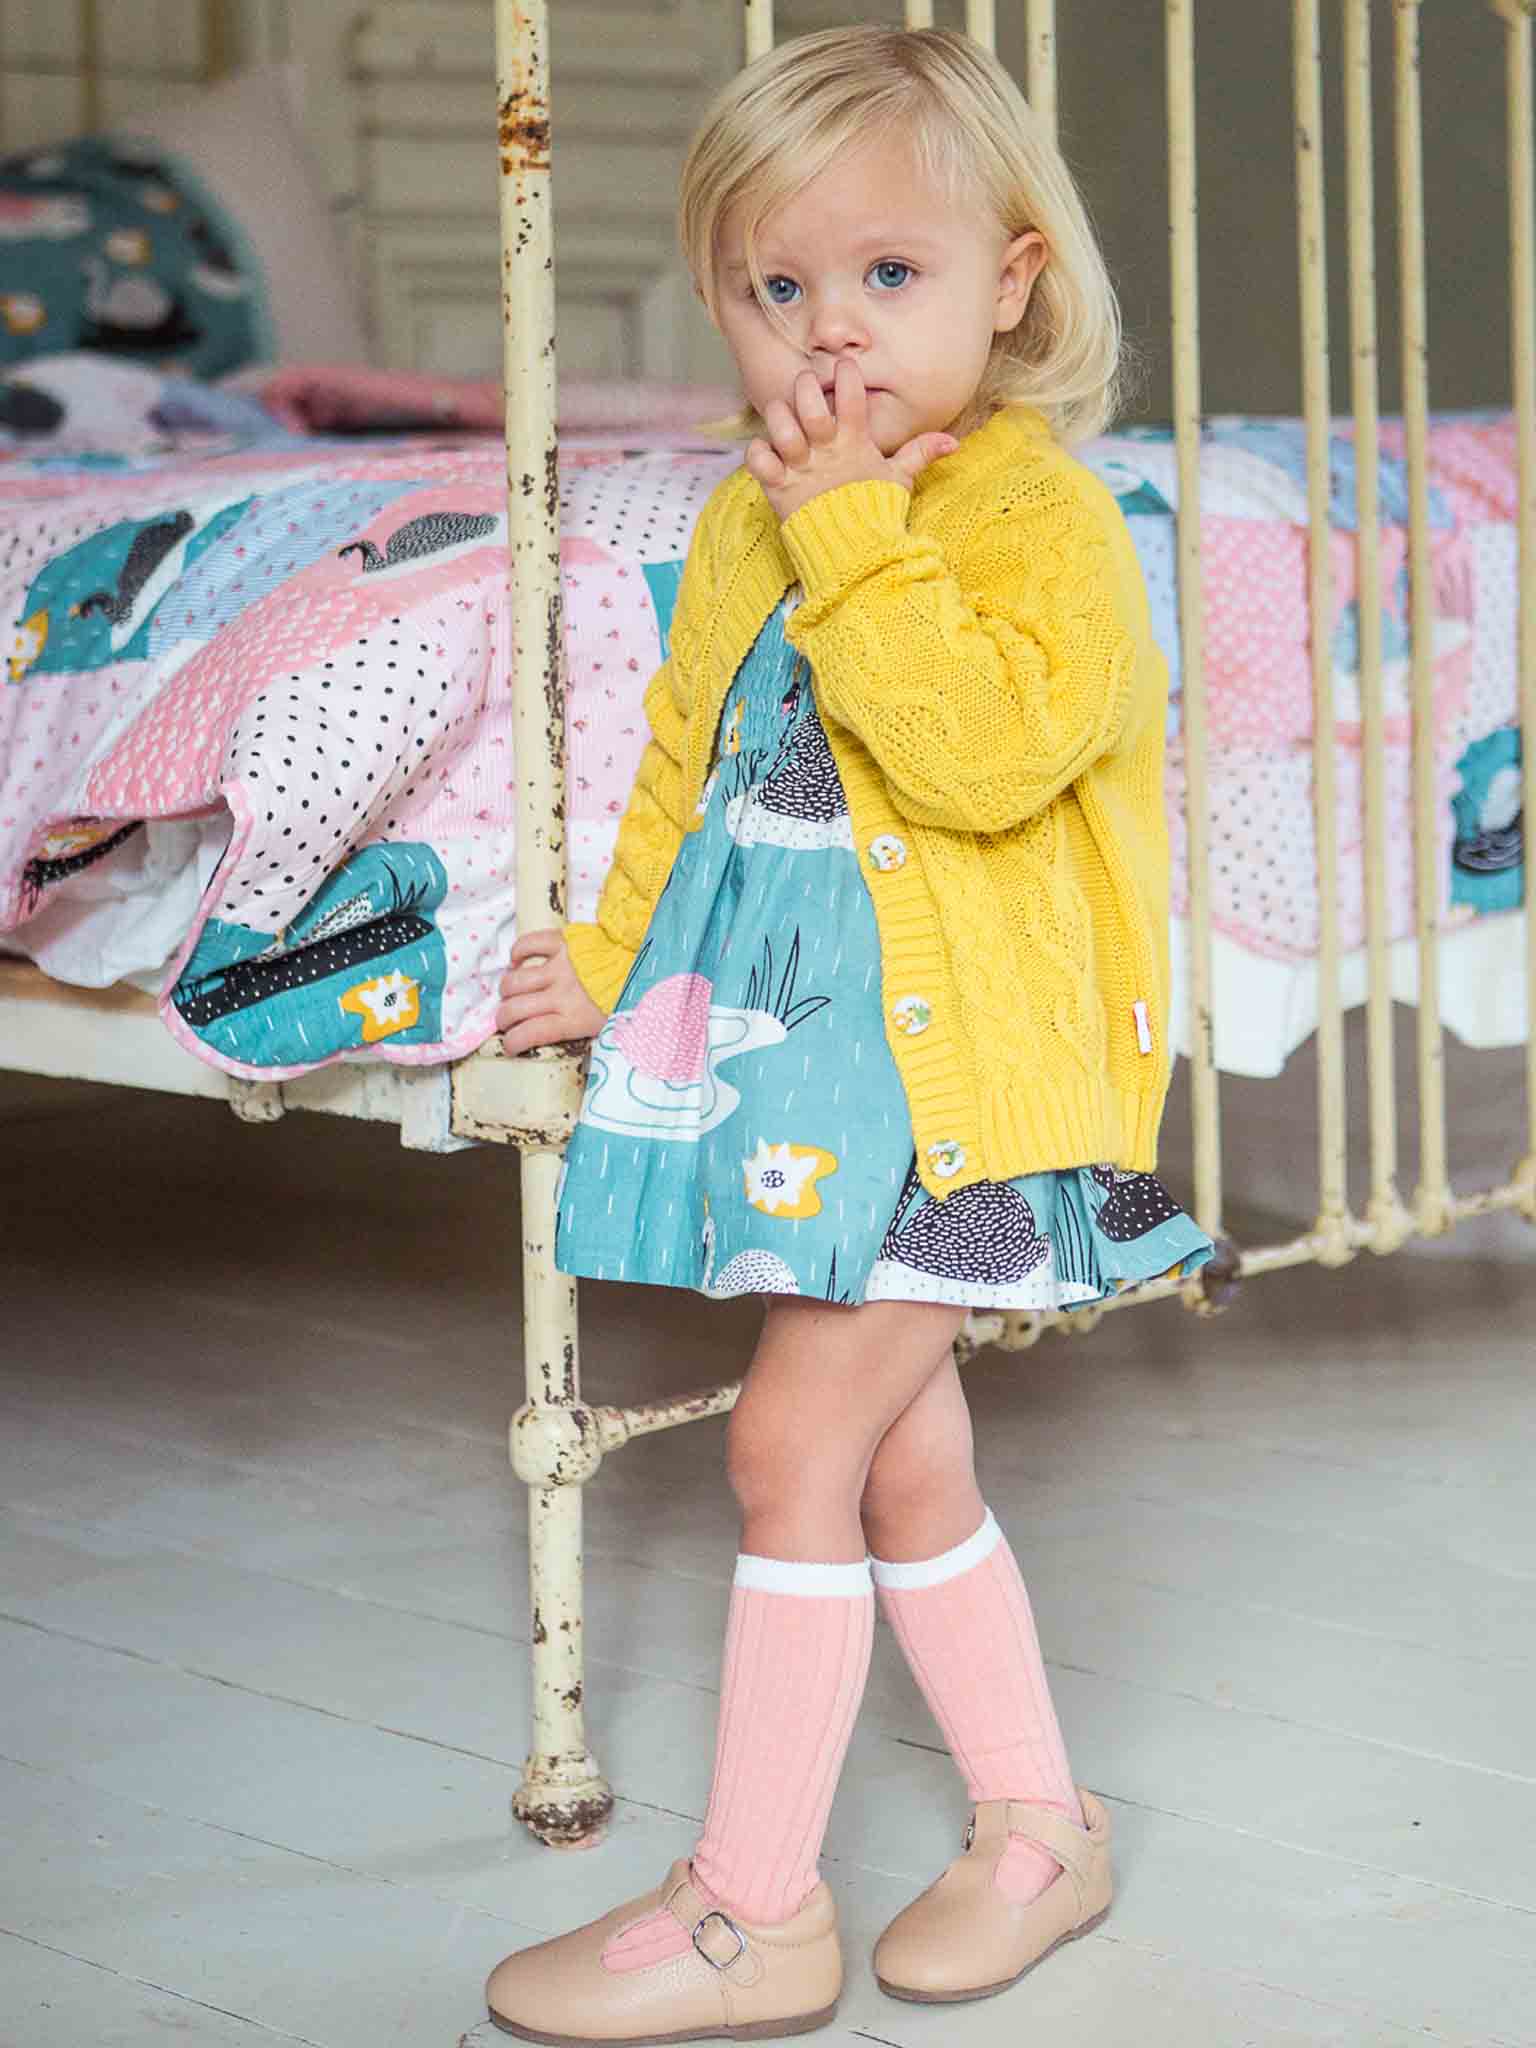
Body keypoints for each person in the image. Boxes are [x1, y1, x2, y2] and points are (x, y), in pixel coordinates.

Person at [486, 25, 1212, 2042]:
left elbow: (979, 759)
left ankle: (752, 1909)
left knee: (792, 1442)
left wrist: (859, 535)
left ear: (1013, 279)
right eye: (774, 284)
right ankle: (1040, 1828)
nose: (828, 333)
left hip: (968, 1103)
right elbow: (690, 767)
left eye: (888, 276)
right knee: (897, 1468)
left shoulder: (1035, 519)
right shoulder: (746, 517)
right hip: (812, 1079)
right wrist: (615, 959)